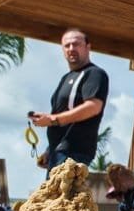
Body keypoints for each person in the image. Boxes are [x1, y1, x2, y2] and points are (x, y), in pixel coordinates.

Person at [29, 30, 109, 170]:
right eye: (67, 45)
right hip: (58, 153)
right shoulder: (65, 78)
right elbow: (61, 113)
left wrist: (53, 119)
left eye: (76, 44)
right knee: (52, 193)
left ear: (88, 47)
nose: (71, 49)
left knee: (65, 192)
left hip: (74, 153)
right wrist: (49, 150)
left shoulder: (94, 74)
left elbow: (93, 107)